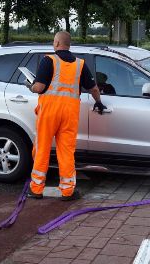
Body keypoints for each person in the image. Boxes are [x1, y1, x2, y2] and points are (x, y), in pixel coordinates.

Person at [26, 31, 106, 201]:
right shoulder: (80, 64)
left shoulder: (49, 60)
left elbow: (39, 87)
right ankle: (68, 191)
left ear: (56, 43)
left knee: (42, 148)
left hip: (49, 112)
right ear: (69, 44)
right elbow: (93, 88)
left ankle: (36, 189)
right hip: (70, 113)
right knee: (67, 151)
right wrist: (98, 102)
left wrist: (31, 86)